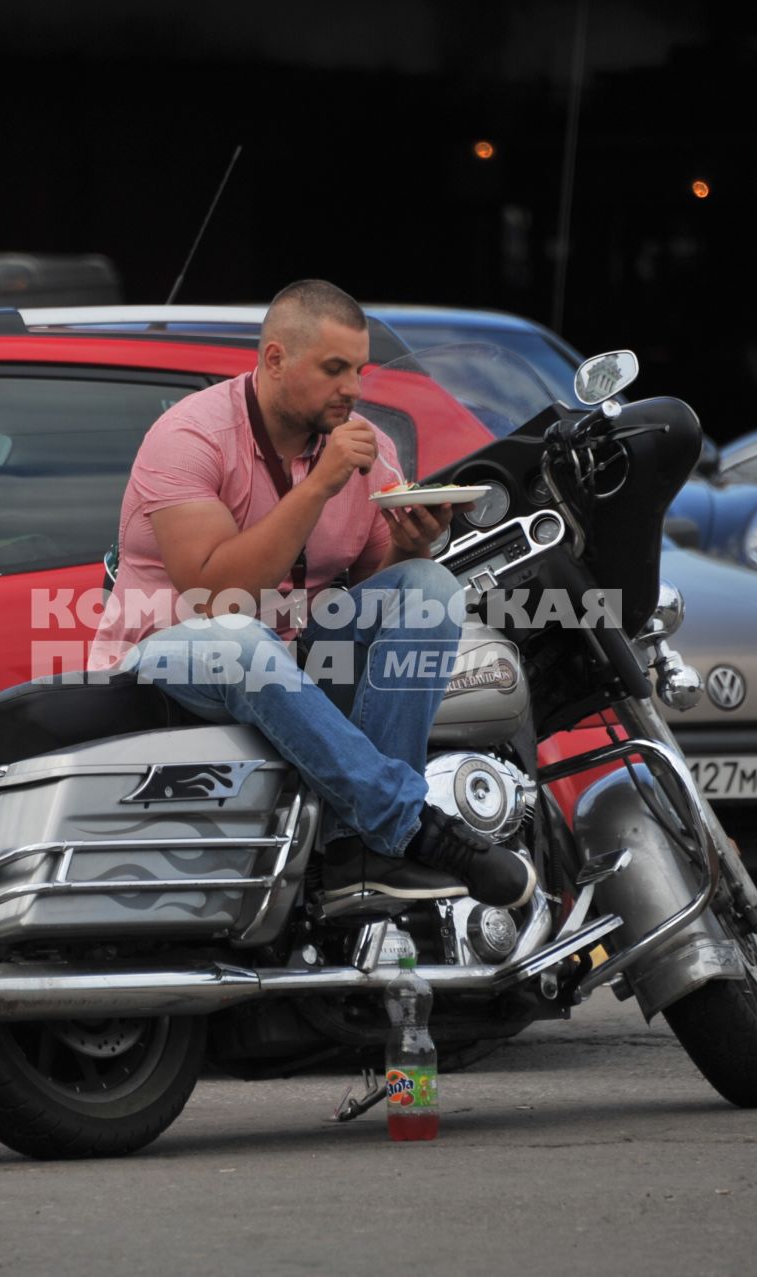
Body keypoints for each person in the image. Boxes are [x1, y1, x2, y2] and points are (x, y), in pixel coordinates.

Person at [90, 280, 534, 908]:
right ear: (275, 360)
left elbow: (378, 591)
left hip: (291, 656)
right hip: (165, 652)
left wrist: (414, 543)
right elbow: (217, 599)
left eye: (358, 370)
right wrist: (317, 487)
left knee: (429, 588)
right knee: (240, 642)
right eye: (333, 370)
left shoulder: (365, 446)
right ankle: (411, 827)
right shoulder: (188, 437)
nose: (352, 389)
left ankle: (361, 851)